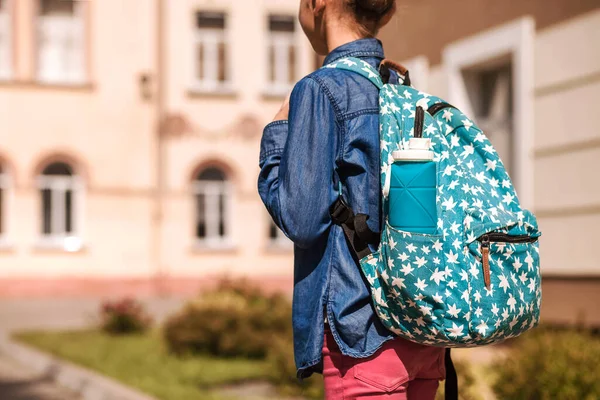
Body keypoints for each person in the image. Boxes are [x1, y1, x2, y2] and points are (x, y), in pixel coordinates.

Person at [258, 0, 446, 398]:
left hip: (361, 335)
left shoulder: (320, 89)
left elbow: (303, 221)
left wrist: (276, 136)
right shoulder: (400, 88)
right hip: (423, 334)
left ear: (318, 3)